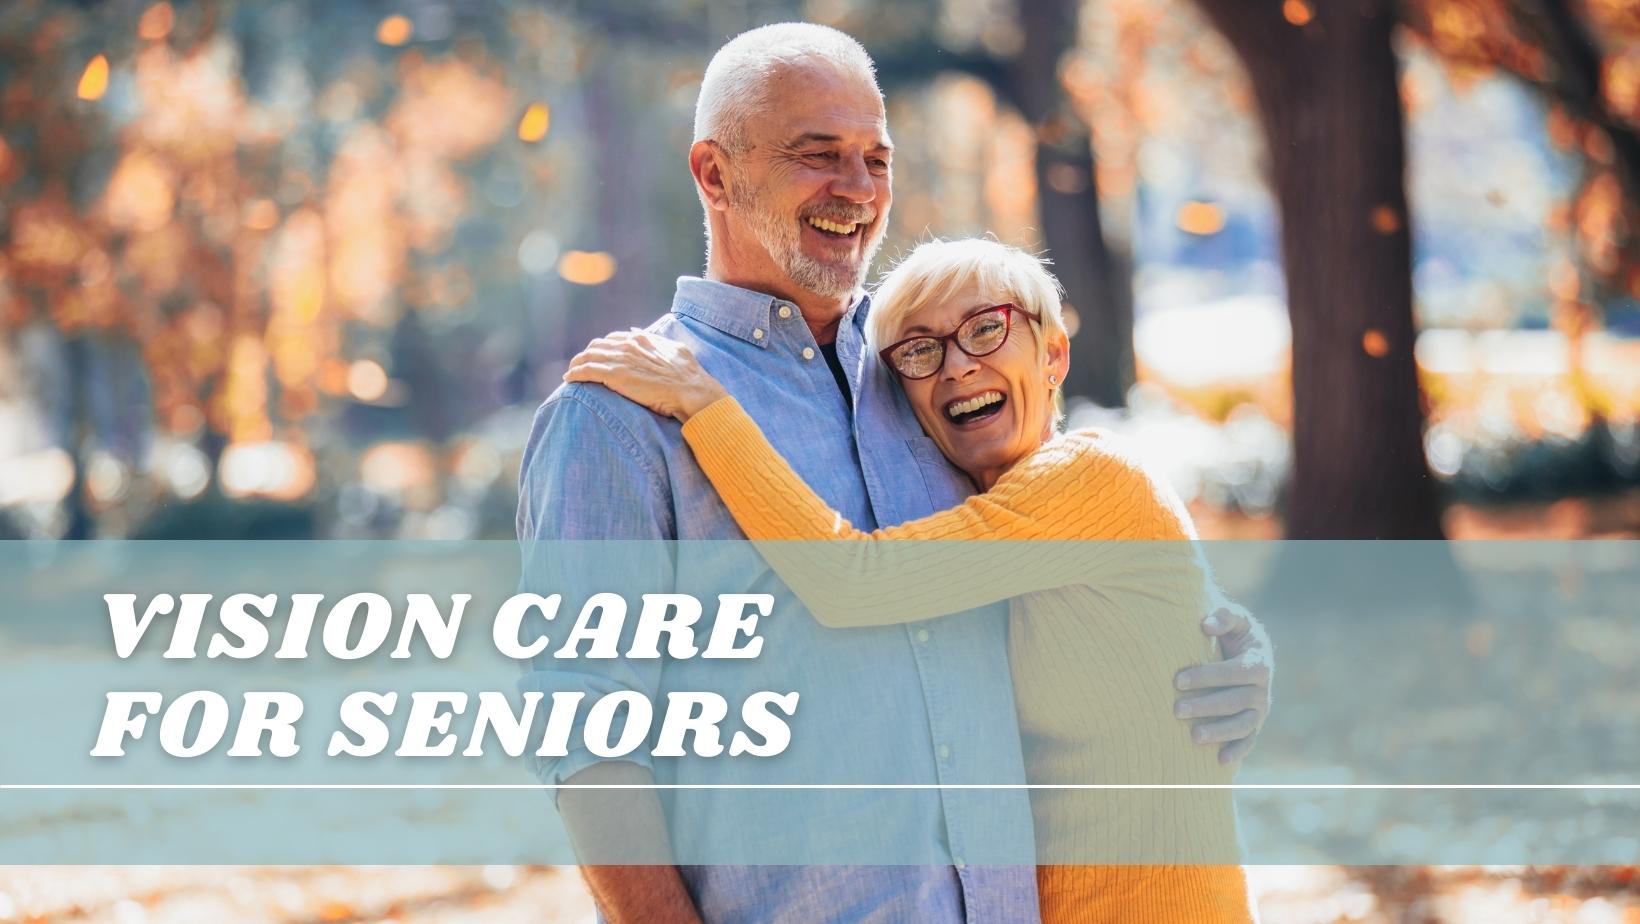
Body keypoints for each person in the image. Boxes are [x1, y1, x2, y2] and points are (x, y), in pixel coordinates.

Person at [518, 22, 1273, 924]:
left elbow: (1067, 567)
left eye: (877, 158)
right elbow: (587, 736)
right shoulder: (618, 414)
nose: (857, 188)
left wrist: (1219, 645)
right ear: (714, 174)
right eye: (818, 154)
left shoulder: (933, 378)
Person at [566, 237, 1257, 922]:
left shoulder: (1096, 474)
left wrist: (705, 406)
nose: (957, 365)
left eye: (987, 329)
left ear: (1052, 354)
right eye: (921, 352)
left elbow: (851, 578)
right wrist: (1243, 648)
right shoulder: (975, 519)